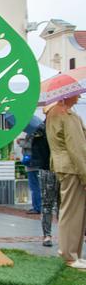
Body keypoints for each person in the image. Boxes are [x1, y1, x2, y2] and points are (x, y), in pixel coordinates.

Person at [45, 95, 86, 269]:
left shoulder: (53, 113)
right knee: (72, 212)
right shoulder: (66, 115)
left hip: (65, 166)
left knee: (73, 211)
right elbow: (77, 148)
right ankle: (69, 255)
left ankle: (72, 253)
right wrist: (85, 174)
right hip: (72, 168)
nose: (79, 96)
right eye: (76, 93)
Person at [31, 120, 59, 247]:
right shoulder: (42, 129)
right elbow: (37, 150)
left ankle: (57, 235)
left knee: (59, 204)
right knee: (49, 204)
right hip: (48, 168)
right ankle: (47, 235)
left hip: (59, 169)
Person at [18, 133, 42, 214]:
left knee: (34, 186)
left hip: (32, 164)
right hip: (35, 163)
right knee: (35, 186)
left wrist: (20, 142)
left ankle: (37, 207)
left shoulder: (34, 133)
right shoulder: (38, 132)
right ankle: (37, 206)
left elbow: (30, 144)